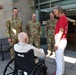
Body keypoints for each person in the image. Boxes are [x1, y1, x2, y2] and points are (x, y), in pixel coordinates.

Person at [53, 6, 68, 75]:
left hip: (60, 41)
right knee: (61, 58)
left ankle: (59, 73)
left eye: (55, 12)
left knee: (58, 60)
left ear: (59, 10)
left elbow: (61, 31)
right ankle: (61, 72)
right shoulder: (63, 18)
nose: (54, 14)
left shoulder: (62, 18)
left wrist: (56, 43)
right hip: (62, 40)